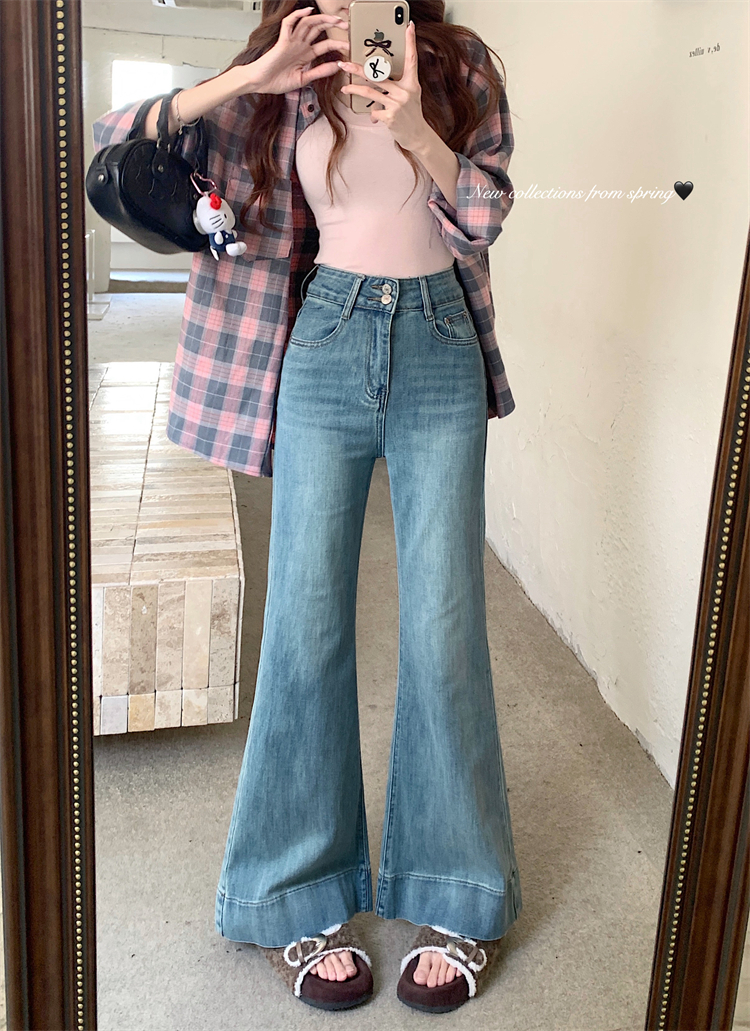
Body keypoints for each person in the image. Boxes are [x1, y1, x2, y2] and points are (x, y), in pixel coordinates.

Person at [92, 0, 522, 1014]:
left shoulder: (459, 64)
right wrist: (256, 77)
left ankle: (456, 889)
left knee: (446, 625)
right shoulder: (284, 65)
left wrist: (416, 124)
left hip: (439, 344)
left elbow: (488, 213)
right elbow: (110, 141)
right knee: (305, 624)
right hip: (323, 339)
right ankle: (293, 891)